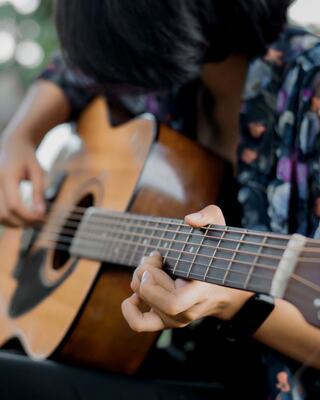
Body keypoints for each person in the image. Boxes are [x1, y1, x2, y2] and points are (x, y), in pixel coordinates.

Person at [0, 1, 319, 399]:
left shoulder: (311, 87)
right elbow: (72, 71)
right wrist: (17, 138)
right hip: (179, 365)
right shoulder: (162, 69)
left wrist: (237, 304)